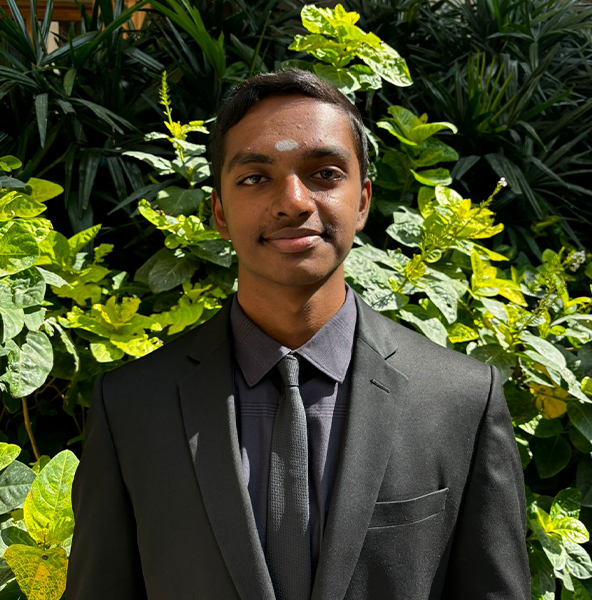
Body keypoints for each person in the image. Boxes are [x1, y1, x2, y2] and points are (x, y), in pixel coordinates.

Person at [65, 69, 530, 600]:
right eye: (254, 178)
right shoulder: (132, 407)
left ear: (362, 201)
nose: (293, 201)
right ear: (219, 211)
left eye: (325, 173)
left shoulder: (460, 400)